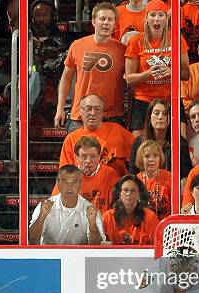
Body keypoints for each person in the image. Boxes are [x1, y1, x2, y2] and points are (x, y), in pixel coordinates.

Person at [54, 2, 126, 131]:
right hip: (81, 116)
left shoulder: (122, 50)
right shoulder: (77, 45)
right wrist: (60, 108)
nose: (106, 23)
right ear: (94, 22)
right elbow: (66, 78)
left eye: (110, 19)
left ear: (115, 24)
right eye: (102, 19)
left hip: (112, 116)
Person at [125, 0, 189, 134]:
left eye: (161, 15)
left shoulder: (177, 39)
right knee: (140, 147)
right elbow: (129, 79)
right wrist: (147, 75)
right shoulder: (136, 41)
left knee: (180, 144)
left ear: (167, 19)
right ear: (146, 18)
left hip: (171, 99)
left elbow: (186, 74)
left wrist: (172, 72)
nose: (157, 19)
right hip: (143, 101)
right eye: (153, 15)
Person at [29, 165, 105, 245]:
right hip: (50, 256)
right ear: (57, 183)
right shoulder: (44, 207)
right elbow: (31, 240)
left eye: (74, 182)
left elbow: (97, 247)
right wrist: (42, 216)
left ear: (80, 184)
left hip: (79, 257)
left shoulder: (90, 210)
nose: (69, 187)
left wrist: (92, 223)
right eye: (65, 182)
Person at [59, 94, 133, 176]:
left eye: (97, 109)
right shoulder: (71, 139)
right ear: (80, 111)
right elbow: (65, 174)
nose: (93, 113)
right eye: (88, 109)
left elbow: (140, 153)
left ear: (102, 112)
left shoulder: (118, 131)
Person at [52, 136, 120, 214]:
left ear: (99, 157)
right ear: (76, 158)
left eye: (93, 156)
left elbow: (115, 209)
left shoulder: (111, 175)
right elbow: (55, 207)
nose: (88, 161)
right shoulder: (66, 177)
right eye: (83, 156)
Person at [102, 174, 159, 245]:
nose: (128, 194)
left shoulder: (150, 217)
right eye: (125, 190)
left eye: (133, 191)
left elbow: (156, 247)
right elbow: (102, 249)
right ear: (119, 194)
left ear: (139, 194)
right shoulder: (107, 217)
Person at [129, 99, 171, 175]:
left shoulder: (179, 143)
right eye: (156, 113)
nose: (160, 117)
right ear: (149, 117)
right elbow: (133, 173)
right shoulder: (138, 142)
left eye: (165, 114)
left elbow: (184, 176)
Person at [135, 140, 171, 220]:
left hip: (165, 226)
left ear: (160, 158)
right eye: (147, 156)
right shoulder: (135, 181)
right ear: (141, 159)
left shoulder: (169, 178)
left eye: (155, 156)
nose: (151, 159)